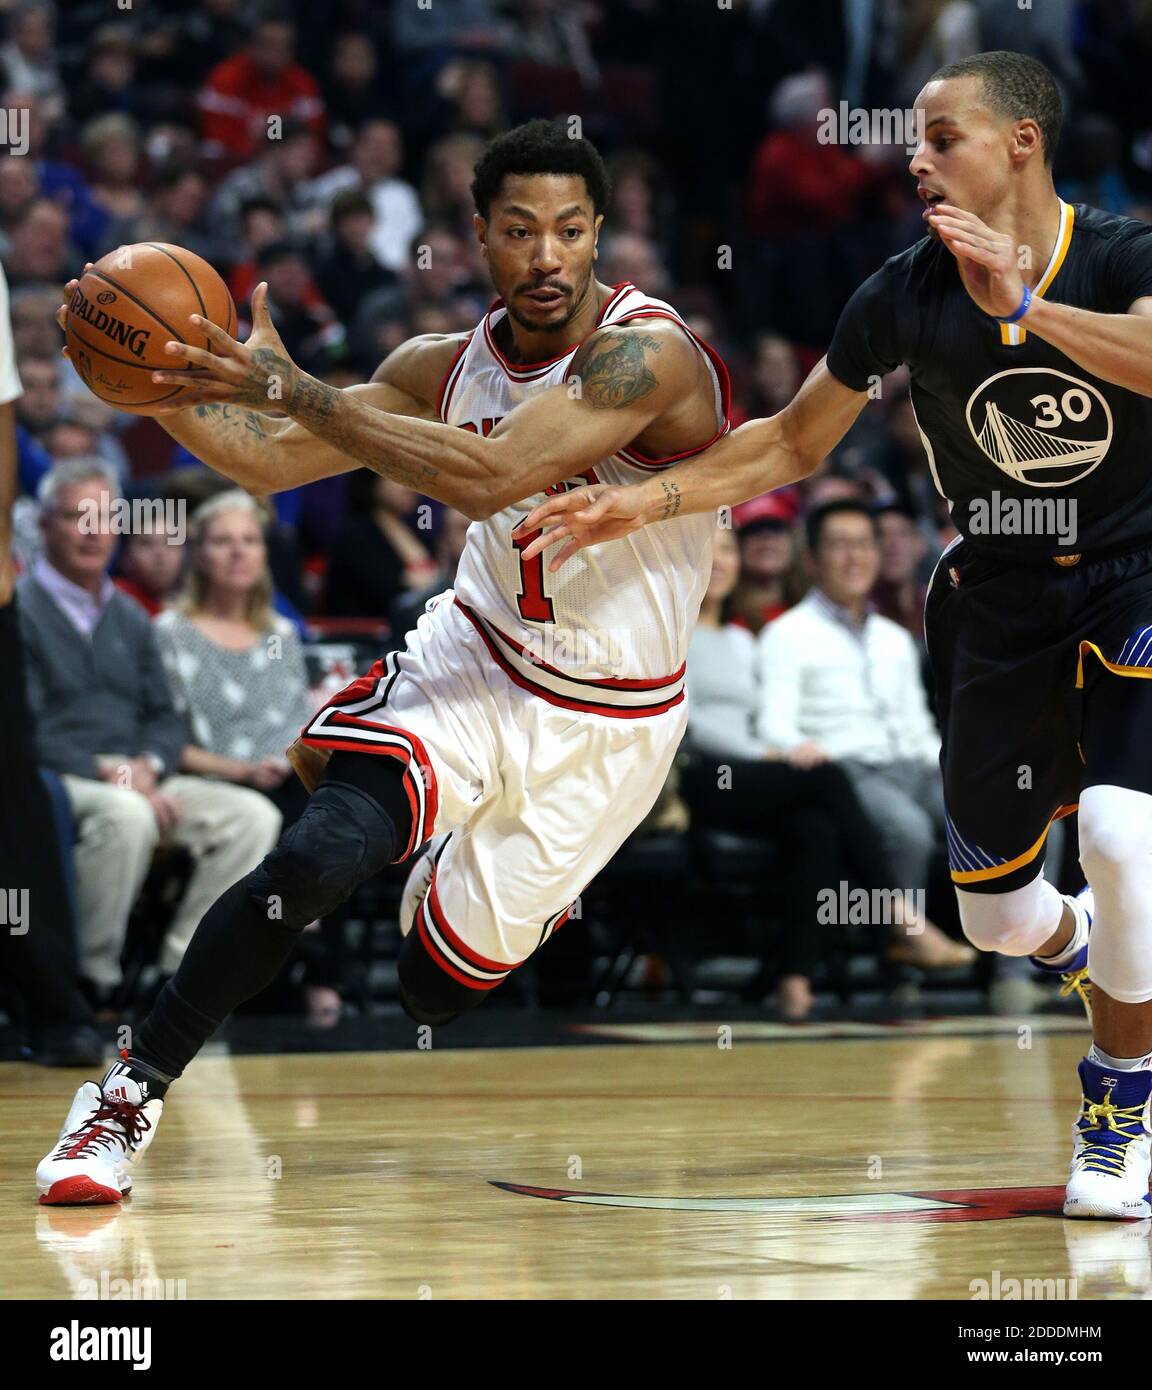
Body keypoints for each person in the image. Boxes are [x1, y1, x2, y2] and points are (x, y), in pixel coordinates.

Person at [36, 119, 734, 1205]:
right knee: (312, 861)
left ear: (601, 236)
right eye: (518, 231)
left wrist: (296, 388)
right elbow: (270, 457)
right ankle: (127, 1093)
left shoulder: (651, 355)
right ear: (478, 241)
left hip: (615, 725)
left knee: (431, 991)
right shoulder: (435, 366)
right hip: (477, 658)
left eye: (569, 230)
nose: (545, 256)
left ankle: (455, 876)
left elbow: (497, 475)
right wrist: (169, 377)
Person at [520, 51, 1152, 1221]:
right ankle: (1117, 974)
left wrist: (1030, 308)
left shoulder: (1122, 254)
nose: (914, 155)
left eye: (942, 135)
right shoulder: (903, 290)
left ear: (1022, 142)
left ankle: (1119, 1102)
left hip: (1135, 575)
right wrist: (644, 499)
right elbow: (788, 443)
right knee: (997, 917)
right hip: (1000, 597)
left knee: (1123, 832)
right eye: (913, 135)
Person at [17, 459, 283, 1011]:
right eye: (76, 517)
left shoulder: (131, 616)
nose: (94, 532)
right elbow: (23, 729)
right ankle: (91, 981)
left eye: (105, 517)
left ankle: (178, 974)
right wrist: (115, 773)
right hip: (56, 777)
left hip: (140, 774)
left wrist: (149, 767)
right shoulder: (18, 612)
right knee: (127, 815)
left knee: (253, 818)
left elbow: (165, 719)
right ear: (44, 527)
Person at [688, 526, 970, 1019]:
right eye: (703, 551)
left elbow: (765, 713)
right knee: (829, 777)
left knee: (816, 830)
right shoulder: (668, 637)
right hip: (702, 773)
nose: (719, 562)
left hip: (758, 775)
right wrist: (767, 751)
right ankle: (901, 920)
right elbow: (684, 718)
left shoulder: (742, 638)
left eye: (727, 550)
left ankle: (792, 982)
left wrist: (768, 753)